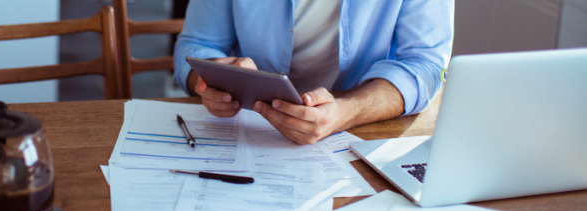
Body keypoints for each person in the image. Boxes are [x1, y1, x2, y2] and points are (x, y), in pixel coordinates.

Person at [173, 0, 454, 145]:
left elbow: (425, 63)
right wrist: (212, 80)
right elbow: (198, 44)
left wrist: (346, 112)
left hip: (364, 134)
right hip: (250, 130)